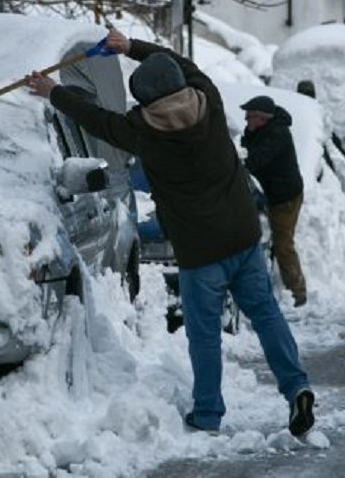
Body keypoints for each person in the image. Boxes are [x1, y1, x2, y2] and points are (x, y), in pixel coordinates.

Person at [24, 29, 315, 437]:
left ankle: (209, 413)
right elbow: (183, 62)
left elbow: (95, 119)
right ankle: (297, 386)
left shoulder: (140, 130)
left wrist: (53, 90)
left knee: (204, 334)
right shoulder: (208, 99)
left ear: (145, 99)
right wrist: (131, 48)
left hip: (200, 250)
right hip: (243, 234)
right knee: (266, 315)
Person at [239, 95, 307, 307]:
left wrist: (239, 162)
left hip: (285, 197)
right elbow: (247, 149)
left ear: (261, 118)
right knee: (278, 241)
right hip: (273, 194)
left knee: (283, 243)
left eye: (249, 116)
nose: (246, 120)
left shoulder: (277, 134)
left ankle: (297, 293)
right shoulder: (261, 131)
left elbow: (255, 160)